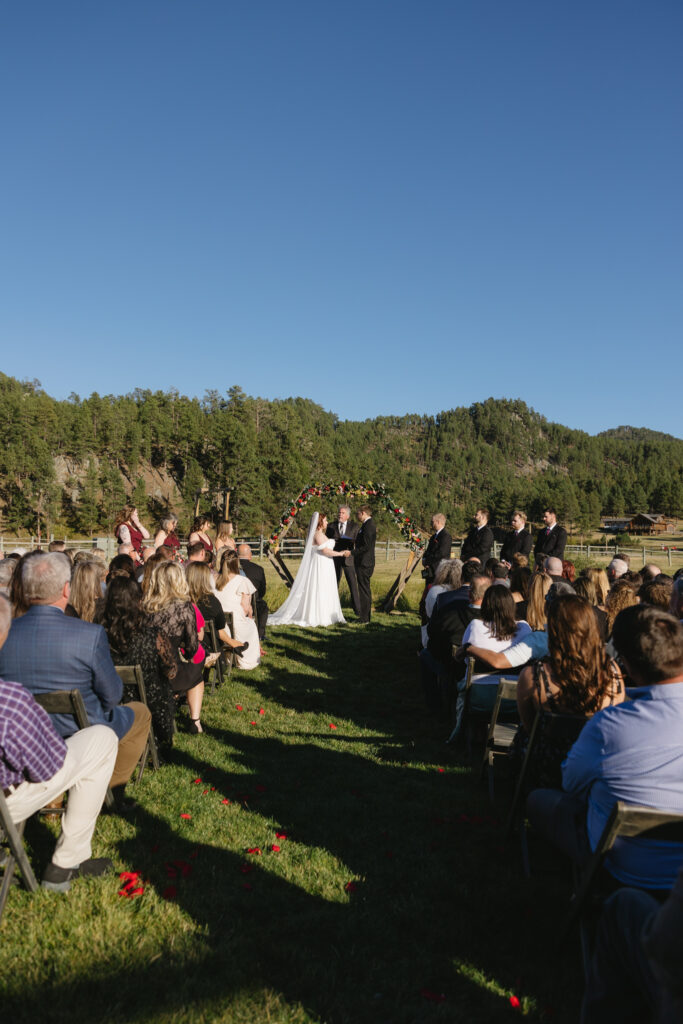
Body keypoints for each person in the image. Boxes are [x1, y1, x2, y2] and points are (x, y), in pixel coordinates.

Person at [528, 605, 683, 890]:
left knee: (539, 800)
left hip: (622, 866)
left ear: (628, 665)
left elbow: (570, 783)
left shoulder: (610, 725)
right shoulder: (610, 714)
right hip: (673, 875)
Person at [0, 553, 150, 811]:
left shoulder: (6, 631)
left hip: (24, 736)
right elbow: (113, 695)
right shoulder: (89, 635)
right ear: (66, 589)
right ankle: (110, 792)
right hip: (83, 729)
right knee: (140, 713)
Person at [0, 593, 118, 892]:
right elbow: (44, 768)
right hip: (8, 799)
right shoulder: (10, 700)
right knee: (101, 739)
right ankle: (64, 864)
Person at [513, 595, 625, 785]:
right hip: (596, 763)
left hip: (548, 766)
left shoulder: (534, 676)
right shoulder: (612, 672)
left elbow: (529, 727)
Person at [97, 575, 177, 749]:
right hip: (151, 703)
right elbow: (171, 670)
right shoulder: (153, 635)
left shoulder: (98, 634)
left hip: (111, 702)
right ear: (138, 602)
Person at [142, 562, 207, 733]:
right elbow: (193, 649)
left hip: (145, 672)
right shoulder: (184, 608)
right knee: (197, 673)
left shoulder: (145, 606)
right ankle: (195, 721)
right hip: (172, 672)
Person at [269, 513, 349, 628]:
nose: (327, 523)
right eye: (325, 521)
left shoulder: (320, 534)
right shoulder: (317, 535)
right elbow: (325, 551)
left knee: (325, 587)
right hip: (320, 564)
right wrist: (340, 554)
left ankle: (326, 612)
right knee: (319, 587)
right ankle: (318, 615)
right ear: (320, 523)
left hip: (326, 563)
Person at [214, 549, 262, 663]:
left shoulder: (214, 578)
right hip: (235, 622)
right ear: (237, 563)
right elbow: (245, 607)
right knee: (251, 625)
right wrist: (249, 613)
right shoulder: (242, 580)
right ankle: (246, 660)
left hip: (217, 621)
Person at [326, 505, 360, 615]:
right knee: (333, 584)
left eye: (343, 513)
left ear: (348, 516)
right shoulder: (331, 526)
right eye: (339, 512)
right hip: (335, 559)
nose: (340, 514)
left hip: (348, 559)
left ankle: (358, 611)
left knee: (353, 585)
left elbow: (358, 542)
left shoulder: (355, 526)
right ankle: (331, 609)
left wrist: (352, 543)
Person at [238, 543, 269, 641]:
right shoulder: (258, 569)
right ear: (250, 555)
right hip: (254, 600)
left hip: (236, 599)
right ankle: (260, 634)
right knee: (263, 607)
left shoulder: (232, 567)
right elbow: (262, 589)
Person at [353, 505, 377, 624]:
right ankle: (364, 616)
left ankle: (365, 618)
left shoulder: (369, 526)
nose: (357, 516)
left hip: (364, 562)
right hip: (362, 561)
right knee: (363, 589)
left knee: (364, 590)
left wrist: (352, 552)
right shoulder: (366, 525)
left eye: (357, 513)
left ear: (363, 513)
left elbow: (366, 546)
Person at [421, 513, 453, 581]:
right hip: (430, 569)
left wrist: (429, 561)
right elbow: (429, 550)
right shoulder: (433, 536)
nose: (431, 523)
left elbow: (442, 553)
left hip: (439, 569)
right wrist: (424, 559)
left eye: (432, 522)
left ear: (438, 522)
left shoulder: (446, 536)